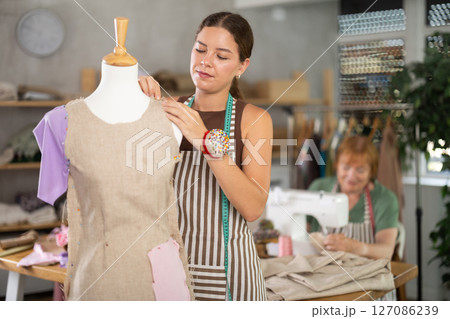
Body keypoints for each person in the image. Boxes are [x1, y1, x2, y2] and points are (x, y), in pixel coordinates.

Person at [139, 12, 272, 301]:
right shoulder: (167, 110)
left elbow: (253, 207)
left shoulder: (253, 120)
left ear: (242, 66)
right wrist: (133, 101)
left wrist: (205, 140)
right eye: (200, 49)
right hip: (169, 268)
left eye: (222, 56)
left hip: (231, 272)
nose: (205, 61)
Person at [308, 135, 399, 260]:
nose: (351, 176)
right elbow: (301, 232)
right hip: (321, 271)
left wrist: (356, 247)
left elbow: (386, 251)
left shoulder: (385, 199)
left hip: (365, 274)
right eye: (346, 167)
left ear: (371, 171)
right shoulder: (319, 188)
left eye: (360, 170)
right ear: (336, 165)